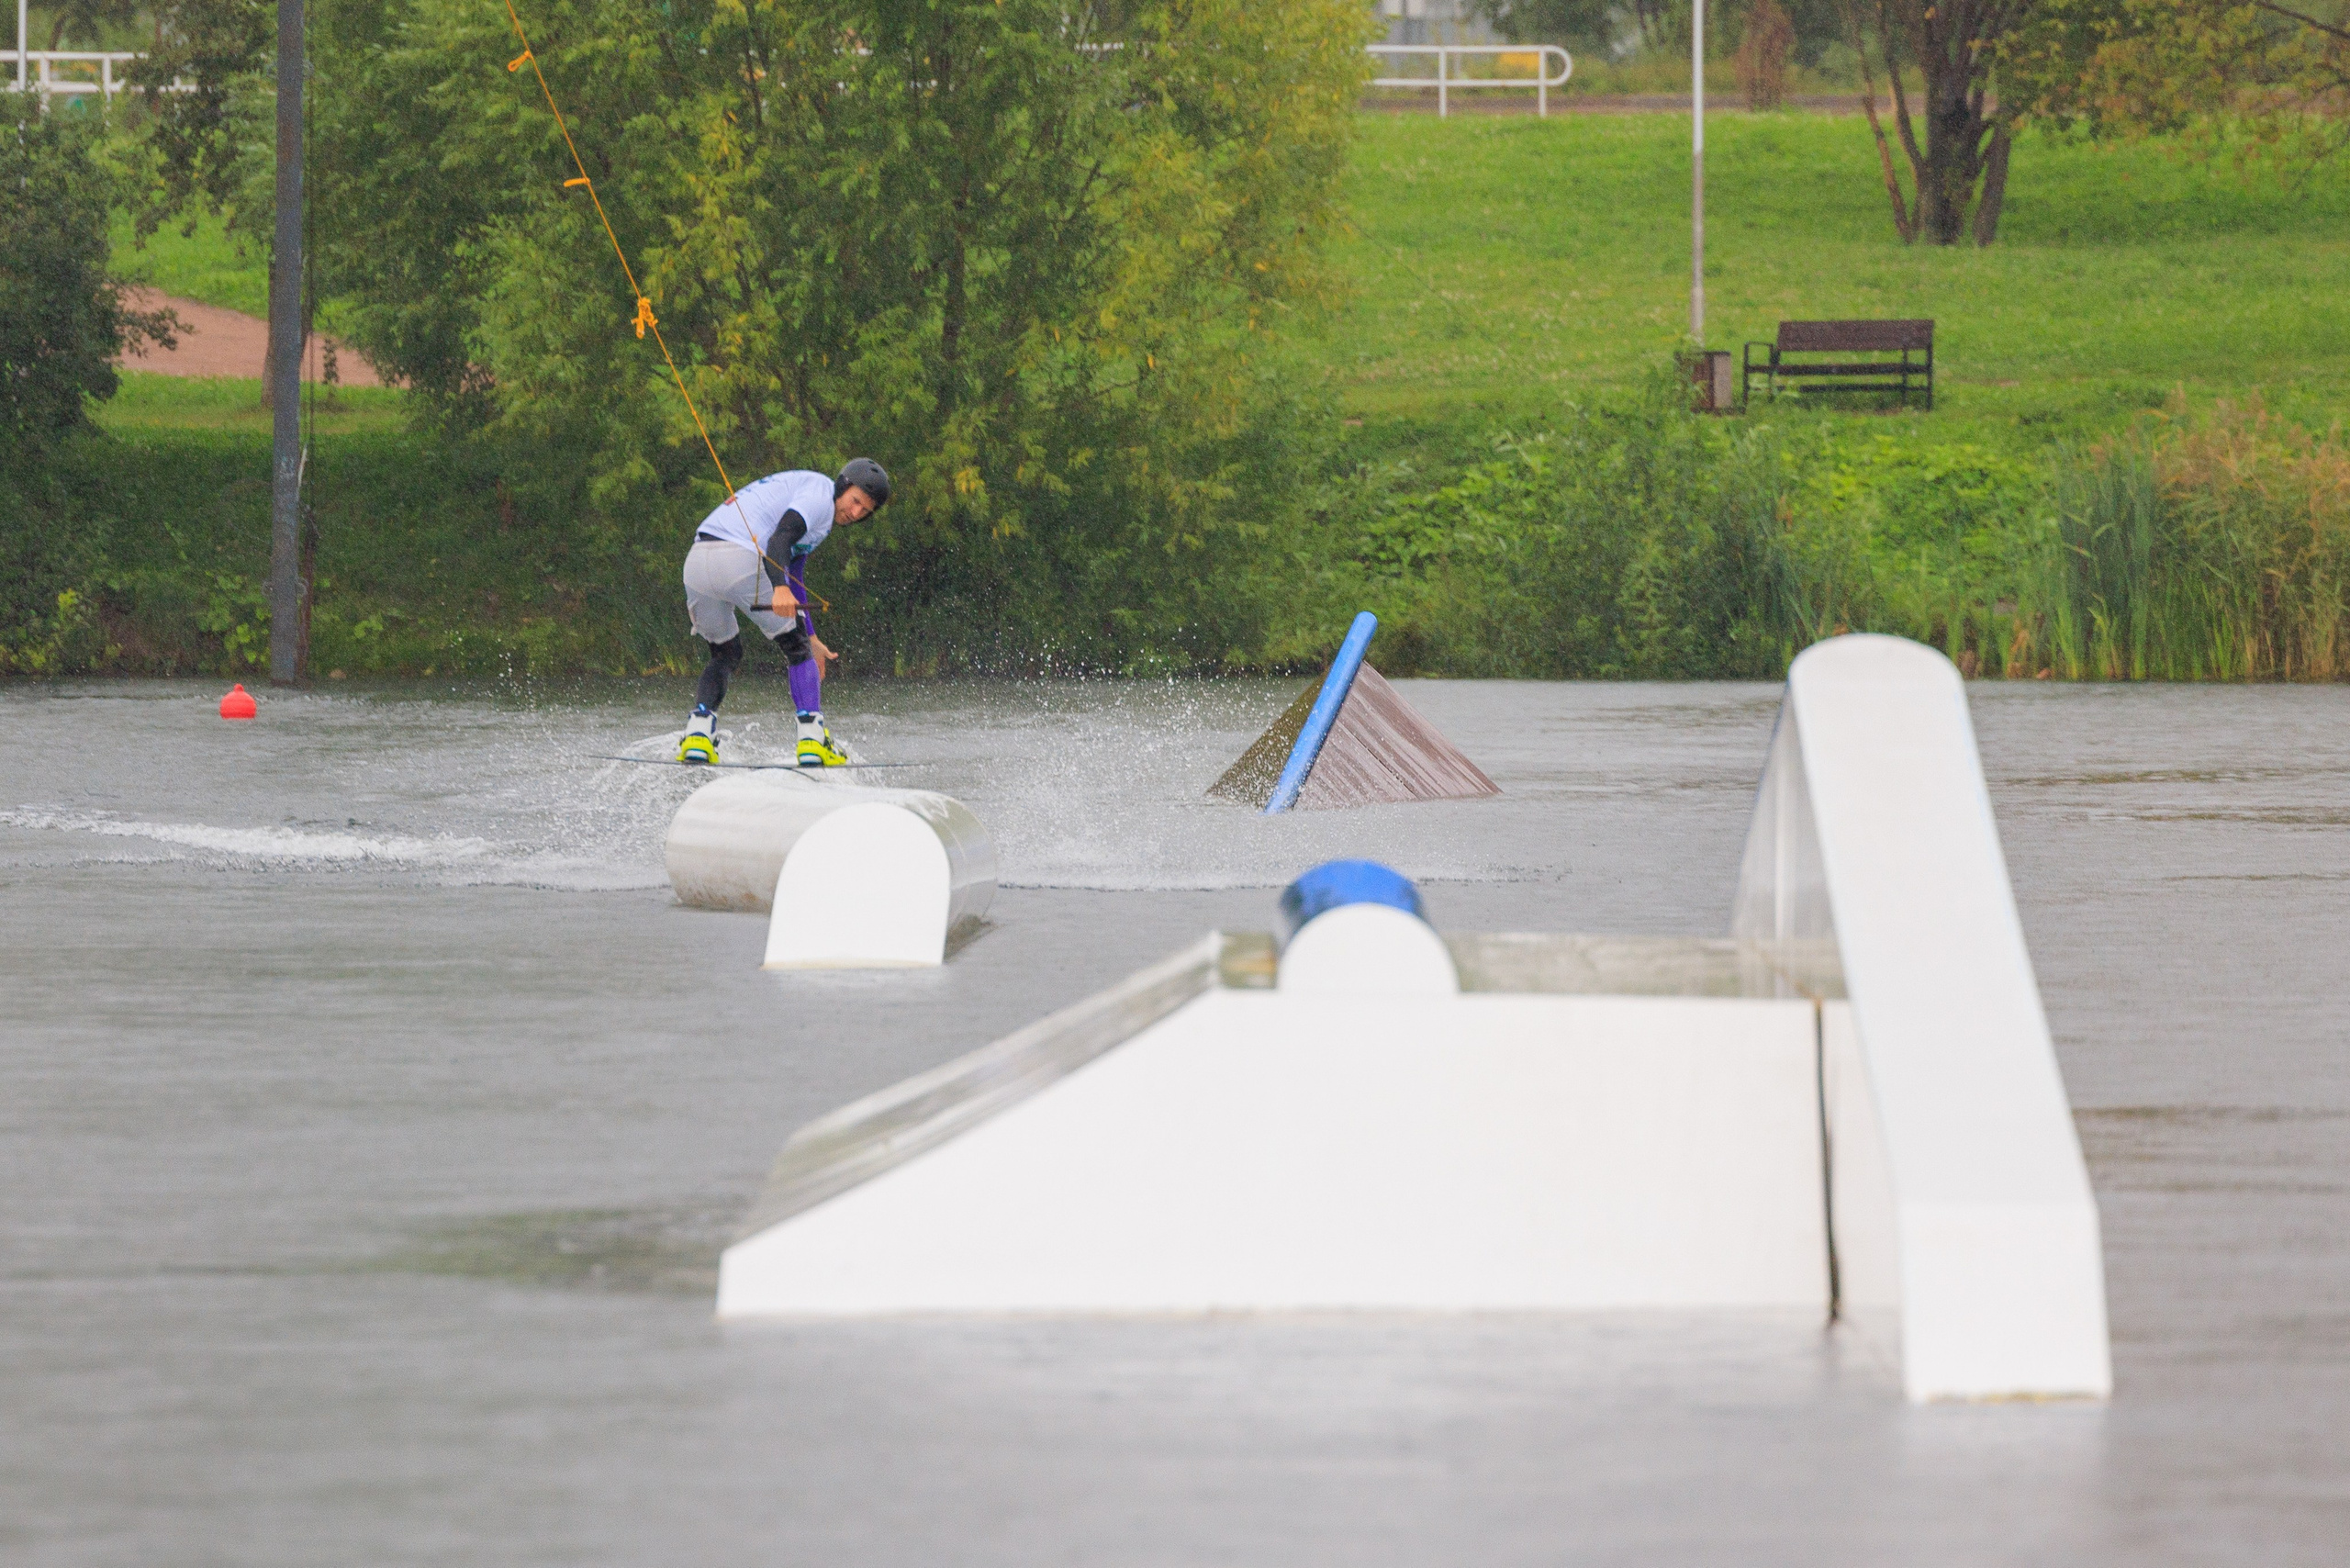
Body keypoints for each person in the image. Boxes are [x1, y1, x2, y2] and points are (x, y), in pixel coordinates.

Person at [678, 458, 890, 767]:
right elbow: (780, 539)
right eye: (856, 501)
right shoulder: (820, 493)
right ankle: (812, 740)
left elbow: (795, 574)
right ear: (843, 486)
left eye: (865, 512)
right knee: (795, 648)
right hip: (739, 557)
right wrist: (779, 587)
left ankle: (698, 733)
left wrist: (813, 635)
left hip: (698, 562)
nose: (855, 513)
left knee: (725, 653)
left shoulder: (811, 504)